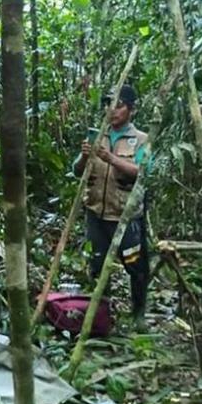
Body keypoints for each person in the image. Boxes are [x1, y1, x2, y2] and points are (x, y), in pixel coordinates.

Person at [73, 85, 152, 326]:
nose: (112, 110)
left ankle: (138, 315)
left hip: (126, 216)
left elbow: (143, 173)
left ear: (132, 110)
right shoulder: (98, 135)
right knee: (97, 266)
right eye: (108, 104)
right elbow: (77, 171)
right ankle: (102, 317)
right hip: (96, 213)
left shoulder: (141, 140)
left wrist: (111, 159)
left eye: (118, 105)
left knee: (136, 268)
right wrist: (86, 156)